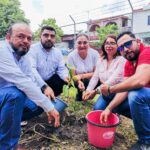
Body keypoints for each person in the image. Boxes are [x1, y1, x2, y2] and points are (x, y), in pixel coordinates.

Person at [0, 23, 60, 150]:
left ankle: (5, 125)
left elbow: (30, 79)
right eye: (20, 37)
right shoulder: (2, 50)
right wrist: (49, 107)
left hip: (7, 94)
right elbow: (21, 81)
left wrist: (44, 95)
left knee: (36, 105)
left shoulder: (24, 56)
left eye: (29, 38)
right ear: (8, 37)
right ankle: (8, 146)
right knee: (15, 96)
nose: (26, 41)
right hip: (6, 93)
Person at [100, 31, 150, 150]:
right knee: (116, 102)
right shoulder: (128, 64)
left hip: (144, 96)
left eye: (128, 44)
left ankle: (146, 142)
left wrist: (110, 89)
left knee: (135, 94)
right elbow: (124, 90)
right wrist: (108, 108)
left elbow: (140, 81)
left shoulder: (147, 52)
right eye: (121, 47)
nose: (125, 49)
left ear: (137, 41)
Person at [83, 35, 130, 117]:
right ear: (104, 46)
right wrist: (88, 90)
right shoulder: (101, 60)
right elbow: (95, 77)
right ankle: (112, 109)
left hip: (118, 93)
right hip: (105, 93)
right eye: (107, 43)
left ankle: (115, 109)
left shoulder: (122, 60)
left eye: (112, 43)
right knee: (97, 110)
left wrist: (95, 91)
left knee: (113, 112)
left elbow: (112, 80)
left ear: (118, 46)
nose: (109, 46)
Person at [28, 26, 69, 100]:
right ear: (40, 36)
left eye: (52, 36)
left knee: (64, 81)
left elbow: (61, 69)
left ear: (55, 39)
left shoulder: (57, 52)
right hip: (35, 82)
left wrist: (66, 77)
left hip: (50, 79)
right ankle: (40, 103)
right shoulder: (32, 50)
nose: (49, 38)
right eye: (46, 35)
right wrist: (44, 87)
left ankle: (52, 99)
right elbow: (31, 70)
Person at [67, 33, 99, 101]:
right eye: (79, 43)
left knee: (99, 79)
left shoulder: (95, 54)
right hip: (78, 80)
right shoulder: (71, 56)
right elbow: (73, 76)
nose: (82, 45)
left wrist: (81, 76)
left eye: (85, 42)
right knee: (75, 81)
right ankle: (79, 93)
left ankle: (93, 93)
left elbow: (96, 73)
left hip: (92, 79)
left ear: (88, 44)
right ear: (75, 44)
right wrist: (79, 82)